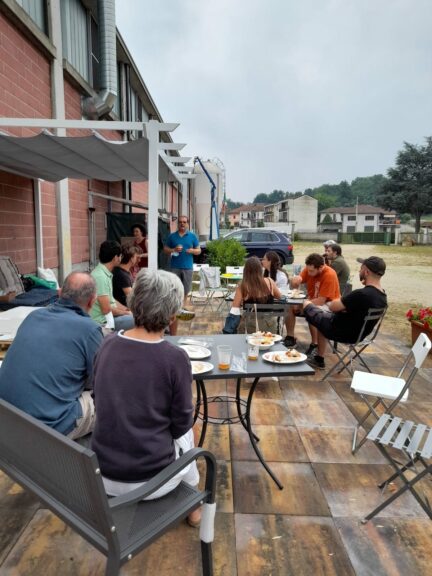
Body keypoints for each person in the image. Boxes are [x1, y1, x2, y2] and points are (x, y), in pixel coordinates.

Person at [91, 268, 201, 527]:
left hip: (102, 473)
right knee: (190, 432)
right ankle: (193, 505)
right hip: (151, 480)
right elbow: (181, 422)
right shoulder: (174, 358)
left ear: (134, 302)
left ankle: (192, 502)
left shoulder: (106, 344)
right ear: (172, 313)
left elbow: (98, 398)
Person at [0, 272, 103, 438]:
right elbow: (99, 383)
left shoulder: (33, 316)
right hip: (49, 428)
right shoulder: (90, 330)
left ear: (60, 293)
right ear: (92, 301)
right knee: (107, 399)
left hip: (7, 417)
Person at [302, 256, 387, 370]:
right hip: (360, 335)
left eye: (361, 268)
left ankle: (319, 358)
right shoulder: (383, 296)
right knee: (322, 316)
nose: (359, 271)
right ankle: (319, 357)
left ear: (366, 272)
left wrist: (308, 303)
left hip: (342, 331)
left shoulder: (361, 294)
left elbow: (333, 306)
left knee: (308, 305)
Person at [284, 253, 340, 354]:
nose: (309, 273)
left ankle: (315, 344)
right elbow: (297, 282)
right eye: (308, 270)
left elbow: (321, 301)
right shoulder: (308, 269)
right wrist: (295, 281)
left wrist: (303, 304)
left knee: (312, 310)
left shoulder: (329, 275)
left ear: (321, 268)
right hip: (312, 300)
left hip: (329, 304)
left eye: (311, 271)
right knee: (289, 306)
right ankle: (290, 337)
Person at [163, 215, 201, 334]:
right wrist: (173, 250)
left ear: (187, 223)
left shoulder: (192, 236)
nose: (182, 224)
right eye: (180, 222)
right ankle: (176, 307)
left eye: (184, 222)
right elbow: (165, 249)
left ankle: (181, 309)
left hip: (188, 267)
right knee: (174, 289)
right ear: (178, 224)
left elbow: (199, 250)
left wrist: (192, 251)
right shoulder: (172, 236)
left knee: (185, 289)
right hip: (175, 267)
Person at [227, 256, 282, 333]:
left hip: (250, 326)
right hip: (269, 326)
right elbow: (279, 296)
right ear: (260, 270)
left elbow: (235, 308)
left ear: (245, 270)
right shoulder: (270, 282)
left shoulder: (243, 285)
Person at [90, 240, 134, 331]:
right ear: (116, 258)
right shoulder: (100, 276)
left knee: (139, 316)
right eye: (120, 256)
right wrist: (126, 314)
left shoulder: (104, 272)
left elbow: (112, 300)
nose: (121, 258)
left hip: (109, 318)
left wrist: (127, 309)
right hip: (103, 322)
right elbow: (106, 310)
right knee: (142, 321)